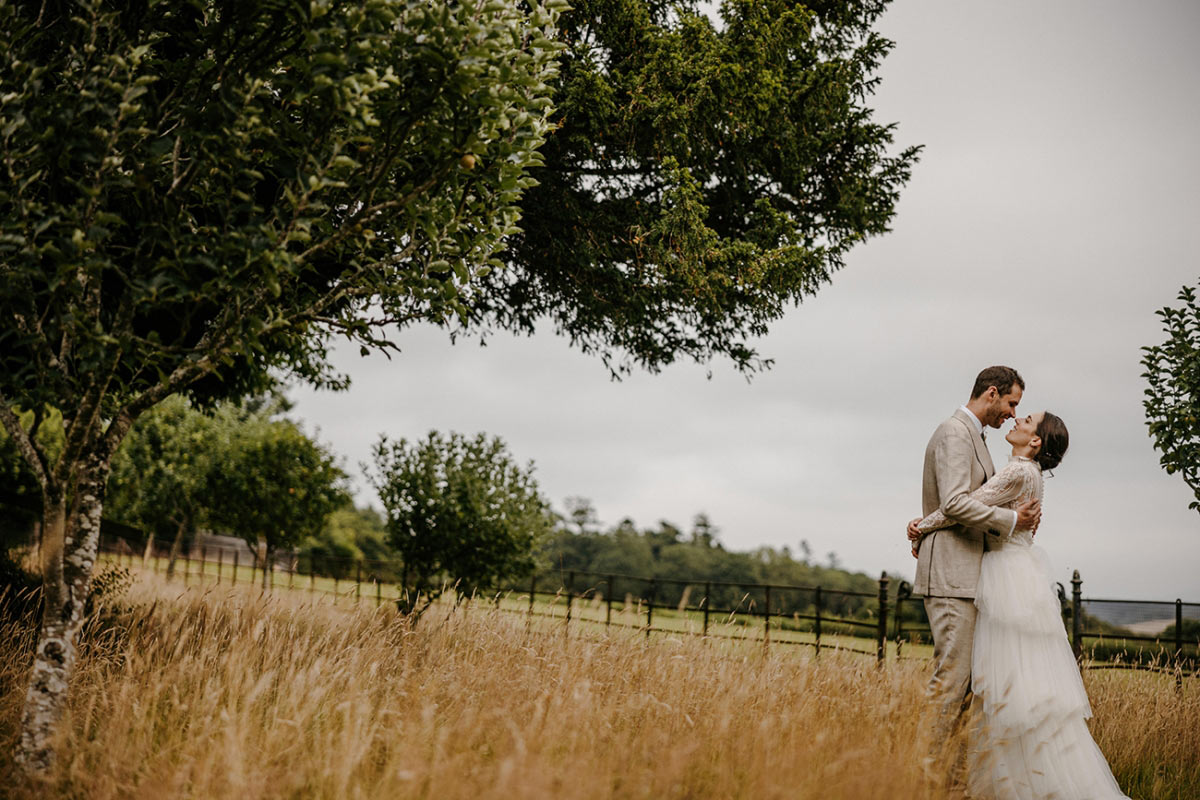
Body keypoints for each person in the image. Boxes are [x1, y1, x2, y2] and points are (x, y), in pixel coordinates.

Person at [912, 411, 1129, 799]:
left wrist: (920, 526)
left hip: (1004, 576)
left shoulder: (1019, 471)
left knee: (1003, 683)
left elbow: (964, 504)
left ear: (1035, 442)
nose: (1017, 419)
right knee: (1019, 682)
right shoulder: (1025, 472)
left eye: (1027, 419)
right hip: (1017, 572)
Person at [906, 366, 1042, 752]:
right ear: (993, 393)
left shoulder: (975, 437)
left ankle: (946, 775)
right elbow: (953, 502)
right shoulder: (955, 433)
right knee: (951, 680)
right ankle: (924, 778)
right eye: (1012, 403)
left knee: (964, 682)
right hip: (950, 574)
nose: (1013, 414)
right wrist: (1012, 520)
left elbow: (966, 501)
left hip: (967, 574)